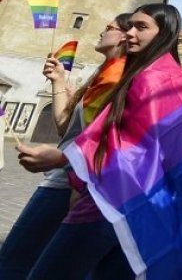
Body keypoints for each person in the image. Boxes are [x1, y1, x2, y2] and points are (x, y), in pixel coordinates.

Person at [27, 4, 182, 279]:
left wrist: (63, 158)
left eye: (141, 27)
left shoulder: (152, 80)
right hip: (143, 211)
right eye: (129, 26)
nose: (130, 34)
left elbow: (132, 147)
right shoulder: (165, 76)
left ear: (164, 33)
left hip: (115, 200)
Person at [1, 14, 131, 279]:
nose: (101, 31)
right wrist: (58, 81)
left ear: (124, 37)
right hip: (66, 178)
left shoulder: (118, 78)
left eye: (109, 28)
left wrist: (62, 159)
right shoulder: (104, 72)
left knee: (14, 261)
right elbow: (66, 127)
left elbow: (105, 141)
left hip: (71, 182)